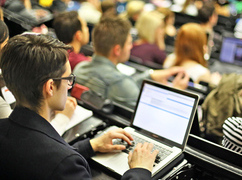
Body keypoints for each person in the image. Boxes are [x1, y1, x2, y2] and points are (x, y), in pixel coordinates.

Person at [0, 34, 158, 179]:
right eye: (68, 78)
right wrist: (139, 170)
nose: (69, 85)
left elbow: (36, 156)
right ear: (50, 87)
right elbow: (55, 161)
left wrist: (91, 145)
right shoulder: (65, 165)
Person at [74, 16, 189, 108]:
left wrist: (151, 75)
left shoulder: (79, 68)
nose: (130, 47)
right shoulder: (120, 83)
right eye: (129, 43)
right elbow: (151, 112)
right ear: (117, 50)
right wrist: (175, 92)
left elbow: (124, 85)